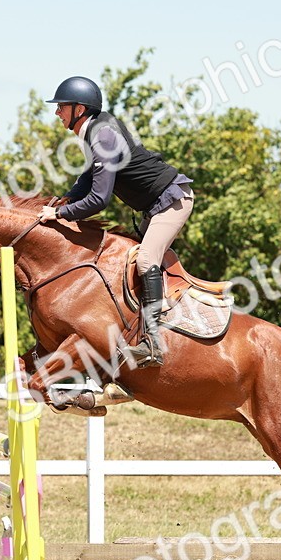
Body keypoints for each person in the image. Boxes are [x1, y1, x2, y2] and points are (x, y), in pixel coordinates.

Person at [37, 76, 194, 368]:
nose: (57, 113)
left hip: (173, 200)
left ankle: (153, 343)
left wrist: (59, 215)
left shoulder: (102, 135)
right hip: (155, 206)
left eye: (61, 107)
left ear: (79, 109)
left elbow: (99, 199)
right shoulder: (96, 129)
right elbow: (88, 177)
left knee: (146, 260)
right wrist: (65, 200)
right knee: (127, 262)